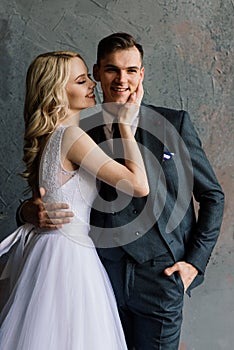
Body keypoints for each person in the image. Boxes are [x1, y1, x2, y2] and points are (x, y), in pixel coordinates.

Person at [17, 33, 224, 350]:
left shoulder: (174, 123)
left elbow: (212, 197)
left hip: (160, 278)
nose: (121, 79)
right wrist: (28, 211)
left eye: (131, 70)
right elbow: (53, 189)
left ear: (142, 74)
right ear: (98, 73)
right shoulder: (77, 129)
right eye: (112, 70)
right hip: (98, 275)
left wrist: (193, 265)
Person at [0, 50, 150, 349]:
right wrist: (125, 125)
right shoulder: (71, 137)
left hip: (51, 249)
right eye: (82, 81)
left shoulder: (51, 136)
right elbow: (138, 185)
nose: (92, 84)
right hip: (68, 256)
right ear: (57, 91)